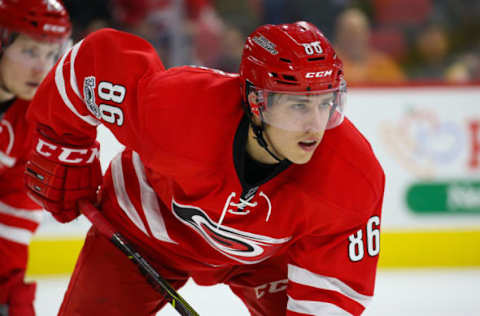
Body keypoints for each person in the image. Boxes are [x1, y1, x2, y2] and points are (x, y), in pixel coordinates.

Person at [25, 21, 385, 316]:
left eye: (326, 103)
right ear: (256, 102)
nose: (316, 125)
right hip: (143, 227)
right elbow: (93, 60)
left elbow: (332, 297)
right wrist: (64, 150)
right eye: (298, 106)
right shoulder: (178, 110)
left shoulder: (351, 177)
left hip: (262, 257)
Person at [0, 1, 71, 315]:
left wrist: (14, 304)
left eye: (50, 54)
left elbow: (10, 231)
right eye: (30, 52)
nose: (41, 68)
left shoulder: (30, 123)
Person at [334, 8, 406, 84]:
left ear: (367, 34)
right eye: (348, 32)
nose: (354, 38)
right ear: (339, 35)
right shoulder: (330, 66)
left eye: (358, 32)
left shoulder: (383, 65)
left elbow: (402, 92)